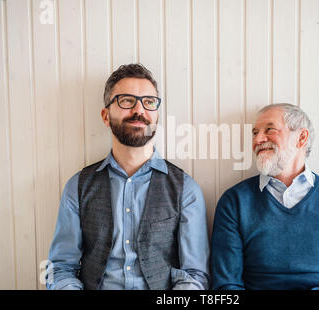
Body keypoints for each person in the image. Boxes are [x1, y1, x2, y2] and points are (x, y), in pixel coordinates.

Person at [46, 63, 210, 290]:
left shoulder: (186, 189)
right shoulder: (78, 186)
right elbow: (61, 268)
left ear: (156, 116)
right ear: (105, 116)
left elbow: (194, 275)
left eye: (148, 102)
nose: (139, 110)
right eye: (126, 100)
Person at [211, 103, 319, 290]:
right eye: (255, 133)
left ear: (301, 138)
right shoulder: (235, 202)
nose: (258, 140)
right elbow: (227, 285)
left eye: (269, 130)